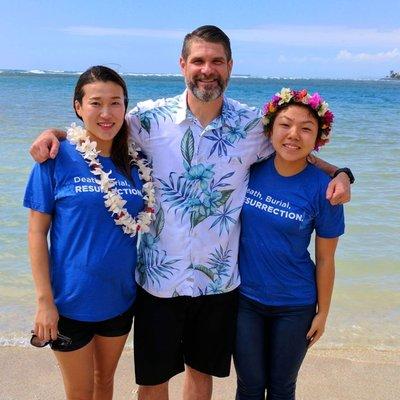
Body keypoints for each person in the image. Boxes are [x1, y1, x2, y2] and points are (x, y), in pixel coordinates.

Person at [29, 26, 352, 400]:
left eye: (217, 61)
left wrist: (340, 173)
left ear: (230, 66)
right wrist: (55, 132)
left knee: (201, 378)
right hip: (157, 278)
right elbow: (102, 124)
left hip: (218, 282)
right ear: (183, 64)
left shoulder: (251, 126)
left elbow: (294, 146)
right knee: (151, 384)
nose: (207, 69)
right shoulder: (149, 119)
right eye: (198, 60)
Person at [24, 66, 154, 400]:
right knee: (80, 393)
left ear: (126, 107)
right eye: (96, 103)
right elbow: (37, 233)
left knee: (105, 383)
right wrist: (44, 302)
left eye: (116, 102)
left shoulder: (136, 163)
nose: (107, 113)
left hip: (120, 300)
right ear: (78, 107)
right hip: (69, 303)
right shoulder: (55, 157)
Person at [234, 88, 345, 400]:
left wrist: (323, 313)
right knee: (249, 386)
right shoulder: (249, 169)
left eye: (306, 128)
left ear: (318, 138)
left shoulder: (326, 191)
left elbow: (325, 259)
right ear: (270, 129)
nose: (293, 135)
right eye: (285, 125)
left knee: (282, 387)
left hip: (295, 305)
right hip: (245, 300)